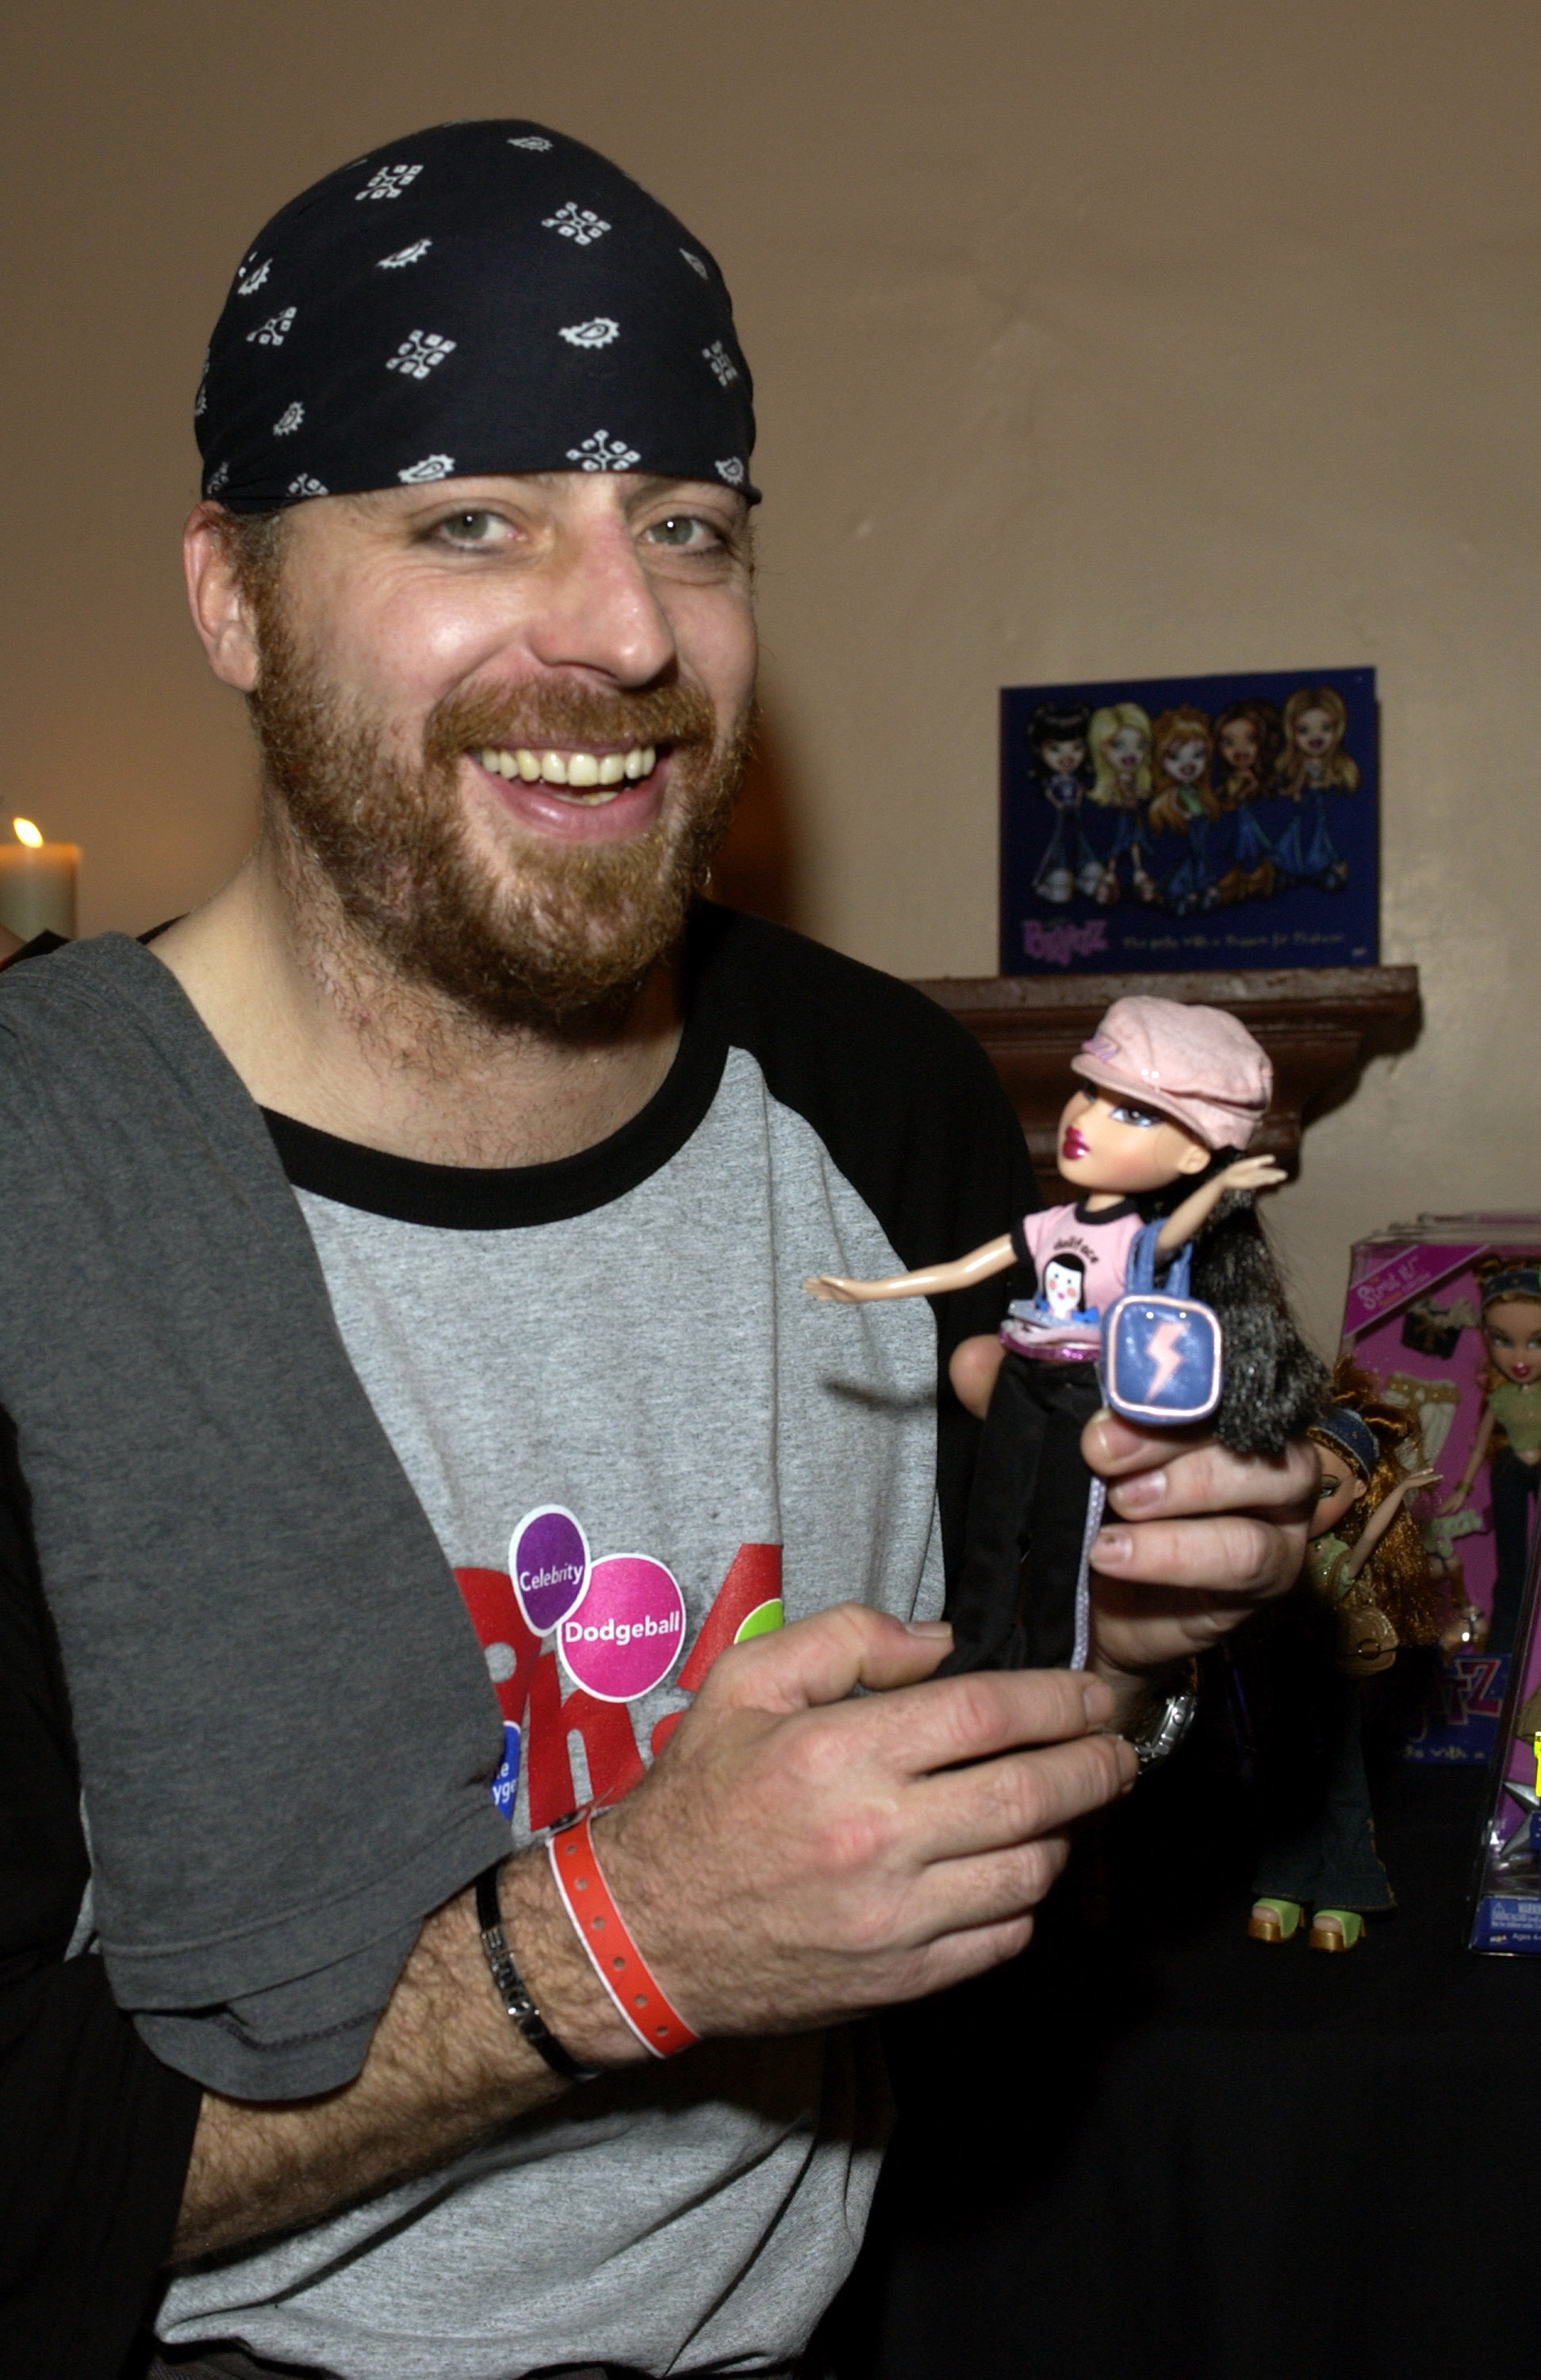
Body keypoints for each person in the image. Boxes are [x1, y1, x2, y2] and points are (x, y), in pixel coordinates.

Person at [0, 121, 1313, 2380]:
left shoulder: (883, 1103)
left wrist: (1157, 1633)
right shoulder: (41, 1196)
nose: (626, 633)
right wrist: (622, 1939)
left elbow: (1062, 1819)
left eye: (685, 527)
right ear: (228, 593)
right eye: (473, 518)